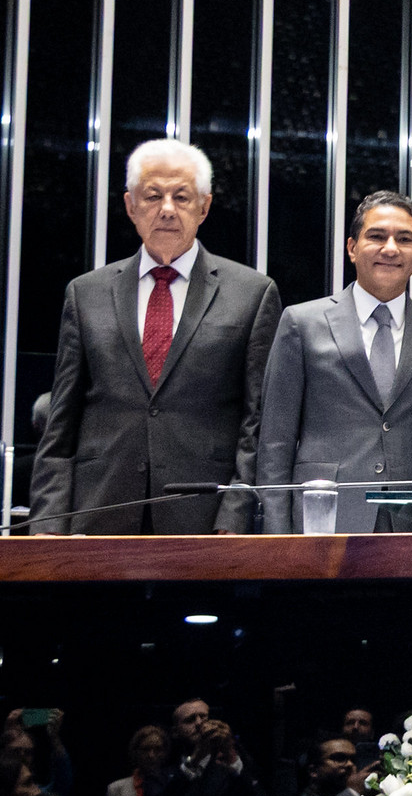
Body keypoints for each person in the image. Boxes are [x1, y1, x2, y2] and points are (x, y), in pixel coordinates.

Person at [29, 139, 282, 533]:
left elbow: (258, 423)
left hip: (203, 516)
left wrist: (235, 515)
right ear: (131, 206)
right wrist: (46, 522)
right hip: (99, 511)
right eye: (153, 196)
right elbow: (61, 421)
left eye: (182, 197)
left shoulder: (251, 293)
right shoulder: (85, 293)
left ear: (204, 207)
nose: (167, 209)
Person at [257, 191, 412, 532]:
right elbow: (275, 443)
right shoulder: (302, 322)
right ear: (352, 248)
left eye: (404, 239)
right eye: (376, 236)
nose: (390, 248)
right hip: (325, 518)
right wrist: (277, 534)